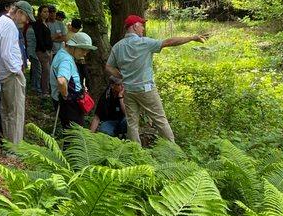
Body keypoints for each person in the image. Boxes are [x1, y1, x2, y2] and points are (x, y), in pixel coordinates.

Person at [106, 14, 206, 145]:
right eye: (142, 25)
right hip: (146, 89)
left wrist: (121, 76)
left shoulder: (117, 46)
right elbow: (169, 42)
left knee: (132, 123)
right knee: (160, 120)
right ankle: (172, 151)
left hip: (129, 90)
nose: (143, 29)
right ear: (135, 26)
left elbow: (108, 67)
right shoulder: (144, 43)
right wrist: (192, 38)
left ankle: (135, 152)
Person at [0, 0, 34, 144]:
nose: (26, 21)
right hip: (11, 75)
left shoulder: (1, 21)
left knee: (6, 110)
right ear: (19, 12)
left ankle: (8, 144)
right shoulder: (9, 25)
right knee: (15, 112)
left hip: (2, 73)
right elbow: (6, 53)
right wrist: (17, 71)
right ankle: (15, 148)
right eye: (26, 17)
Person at [50, 32, 96, 128]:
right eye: (83, 49)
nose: (85, 53)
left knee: (71, 135)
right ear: (73, 46)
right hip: (69, 105)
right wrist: (66, 96)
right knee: (75, 137)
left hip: (70, 103)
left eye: (87, 50)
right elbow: (61, 81)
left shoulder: (62, 53)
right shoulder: (66, 60)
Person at [34, 5, 53, 96]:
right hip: (42, 51)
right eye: (44, 11)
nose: (47, 13)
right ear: (40, 13)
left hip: (49, 50)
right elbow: (39, 38)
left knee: (49, 72)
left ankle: (47, 90)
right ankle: (44, 91)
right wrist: (45, 51)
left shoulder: (46, 23)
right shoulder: (38, 23)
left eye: (48, 12)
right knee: (46, 71)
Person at [25, 15, 42, 93]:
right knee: (37, 70)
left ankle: (34, 86)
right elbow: (33, 43)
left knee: (35, 70)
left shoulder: (30, 29)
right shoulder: (31, 30)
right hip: (33, 52)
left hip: (31, 52)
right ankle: (36, 87)